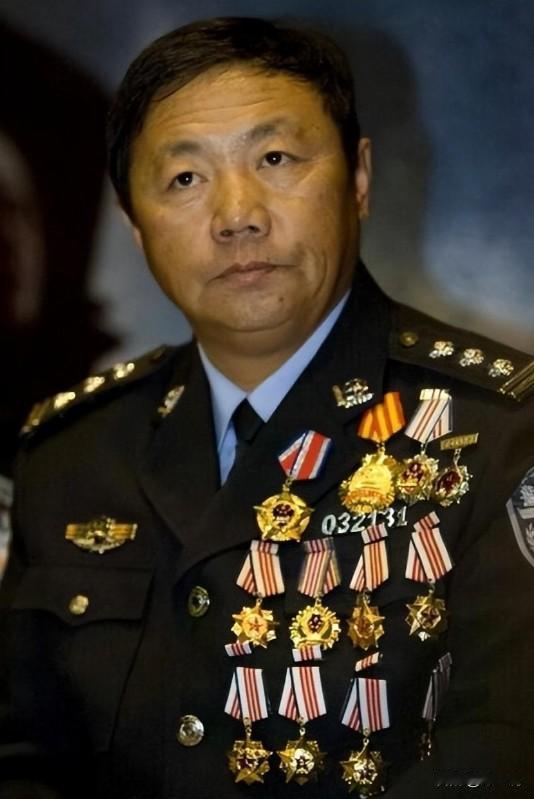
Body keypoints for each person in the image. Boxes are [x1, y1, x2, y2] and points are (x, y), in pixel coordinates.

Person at [1, 16, 533, 799]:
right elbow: (24, 759)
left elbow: (504, 752)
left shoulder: (501, 431)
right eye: (186, 179)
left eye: (275, 159)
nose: (236, 215)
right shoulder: (73, 451)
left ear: (359, 178)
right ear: (132, 221)